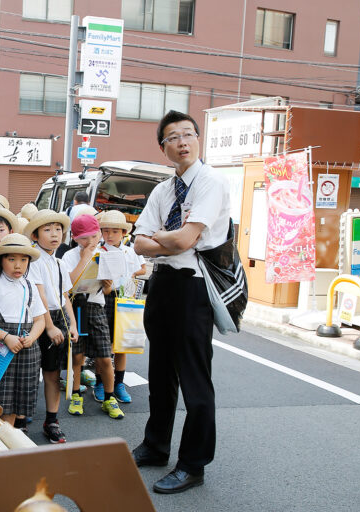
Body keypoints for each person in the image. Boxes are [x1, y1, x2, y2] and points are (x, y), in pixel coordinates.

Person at [131, 110, 230, 494]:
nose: (182, 141)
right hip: (163, 286)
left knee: (194, 379)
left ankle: (193, 464)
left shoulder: (211, 183)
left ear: (198, 139)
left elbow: (186, 240)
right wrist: (163, 240)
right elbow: (138, 243)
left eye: (188, 134)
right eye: (173, 137)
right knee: (160, 375)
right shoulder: (162, 190)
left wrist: (161, 238)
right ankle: (156, 446)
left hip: (193, 287)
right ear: (164, 148)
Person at [0, 233, 46, 429]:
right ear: (1, 260)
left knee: (16, 401)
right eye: (12, 259)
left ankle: (8, 439)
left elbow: (40, 319)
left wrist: (31, 337)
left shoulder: (30, 286)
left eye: (23, 260)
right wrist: (6, 337)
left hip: (26, 347)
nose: (18, 265)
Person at [22, 209, 79, 444]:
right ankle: (20, 419)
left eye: (58, 229)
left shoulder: (58, 262)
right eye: (47, 230)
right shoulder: (32, 258)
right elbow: (39, 294)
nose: (54, 234)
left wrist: (72, 324)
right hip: (37, 318)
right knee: (29, 371)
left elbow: (64, 296)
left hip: (59, 318)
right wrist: (48, 327)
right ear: (35, 235)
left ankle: (52, 420)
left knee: (53, 373)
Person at [61, 214, 124, 420]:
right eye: (84, 238)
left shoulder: (104, 253)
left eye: (94, 236)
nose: (90, 242)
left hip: (96, 307)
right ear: (75, 238)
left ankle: (109, 397)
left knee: (105, 356)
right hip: (76, 306)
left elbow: (107, 291)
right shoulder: (70, 256)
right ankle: (77, 394)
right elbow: (67, 286)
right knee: (78, 356)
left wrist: (107, 285)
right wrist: (84, 259)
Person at [92, 210, 146, 405]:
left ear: (124, 233)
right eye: (105, 231)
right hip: (102, 299)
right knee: (103, 346)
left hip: (125, 299)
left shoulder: (130, 251)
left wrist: (130, 277)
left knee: (122, 344)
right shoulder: (97, 251)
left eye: (115, 231)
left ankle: (119, 383)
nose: (110, 235)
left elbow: (142, 269)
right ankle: (100, 382)